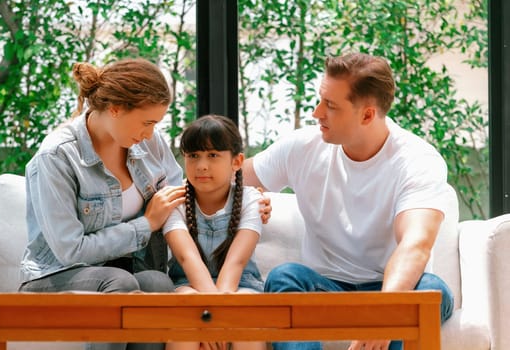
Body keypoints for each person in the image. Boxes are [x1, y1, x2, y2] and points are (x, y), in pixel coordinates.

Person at [242, 52, 455, 350]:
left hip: (391, 287)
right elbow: (227, 181)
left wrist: (386, 312)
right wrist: (248, 199)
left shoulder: (417, 160)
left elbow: (415, 244)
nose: (317, 113)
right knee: (285, 276)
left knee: (431, 291)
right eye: (320, 100)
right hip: (327, 287)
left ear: (367, 114)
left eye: (330, 106)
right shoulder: (302, 147)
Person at [19, 58, 187, 350]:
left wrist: (244, 200)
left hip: (124, 271)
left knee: (158, 284)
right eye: (147, 122)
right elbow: (70, 250)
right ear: (115, 108)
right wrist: (145, 225)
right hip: (56, 274)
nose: (150, 133)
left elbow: (177, 196)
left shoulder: (148, 142)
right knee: (120, 284)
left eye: (156, 124)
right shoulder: (56, 157)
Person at [163, 115, 266, 350]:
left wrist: (217, 316)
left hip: (241, 285)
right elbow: (187, 258)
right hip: (187, 284)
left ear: (237, 161)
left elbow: (237, 262)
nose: (201, 165)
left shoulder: (251, 200)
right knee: (188, 311)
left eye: (213, 155)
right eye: (193, 156)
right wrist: (209, 315)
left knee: (243, 310)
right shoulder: (175, 201)